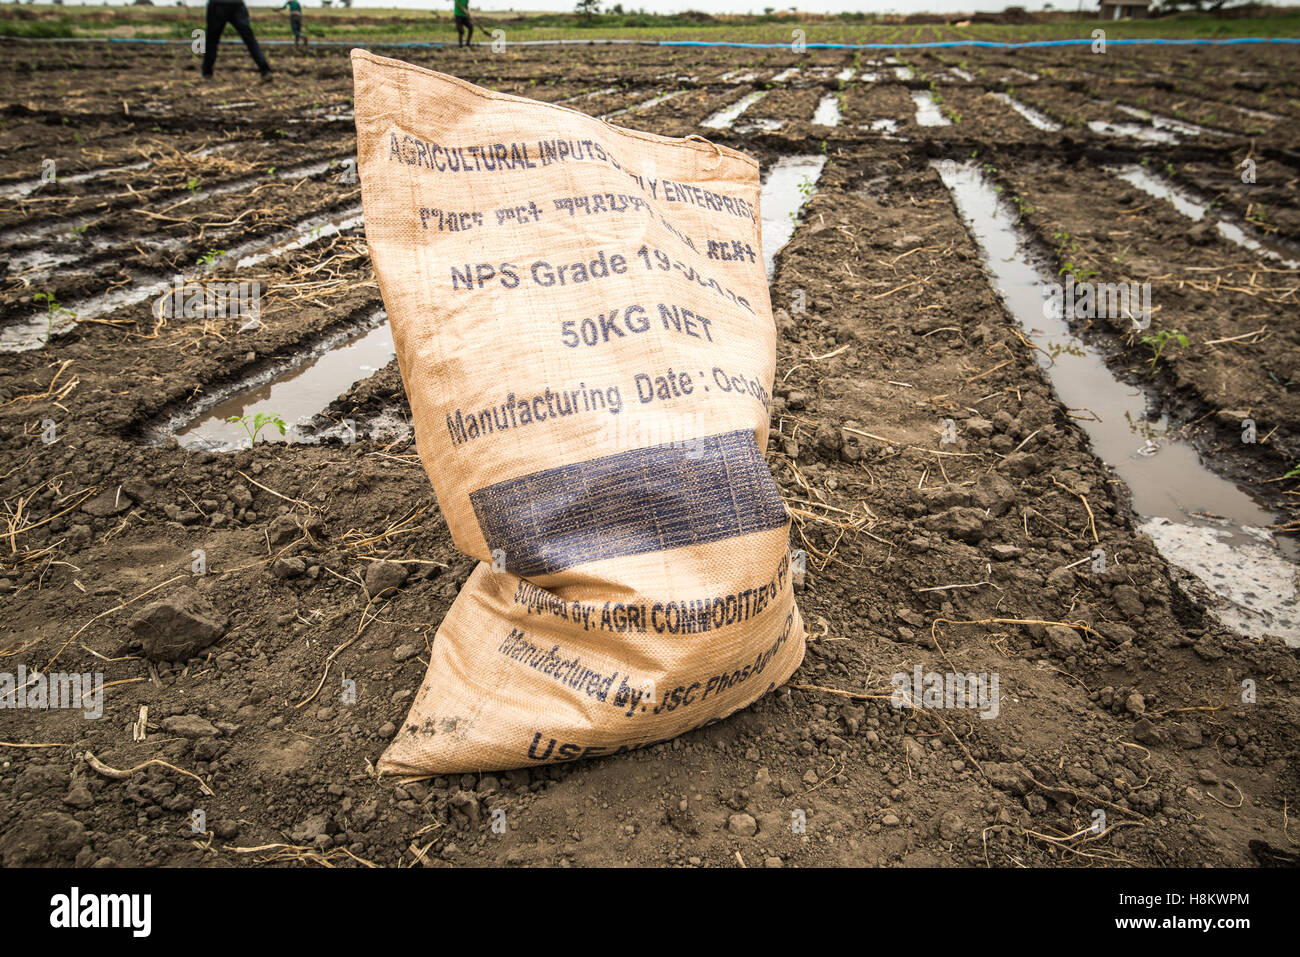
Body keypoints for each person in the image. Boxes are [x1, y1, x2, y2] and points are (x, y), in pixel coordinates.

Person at [201, 0, 273, 81]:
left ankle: (207, 73)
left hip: (218, 5)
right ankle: (265, 70)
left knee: (212, 41)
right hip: (236, 5)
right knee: (250, 40)